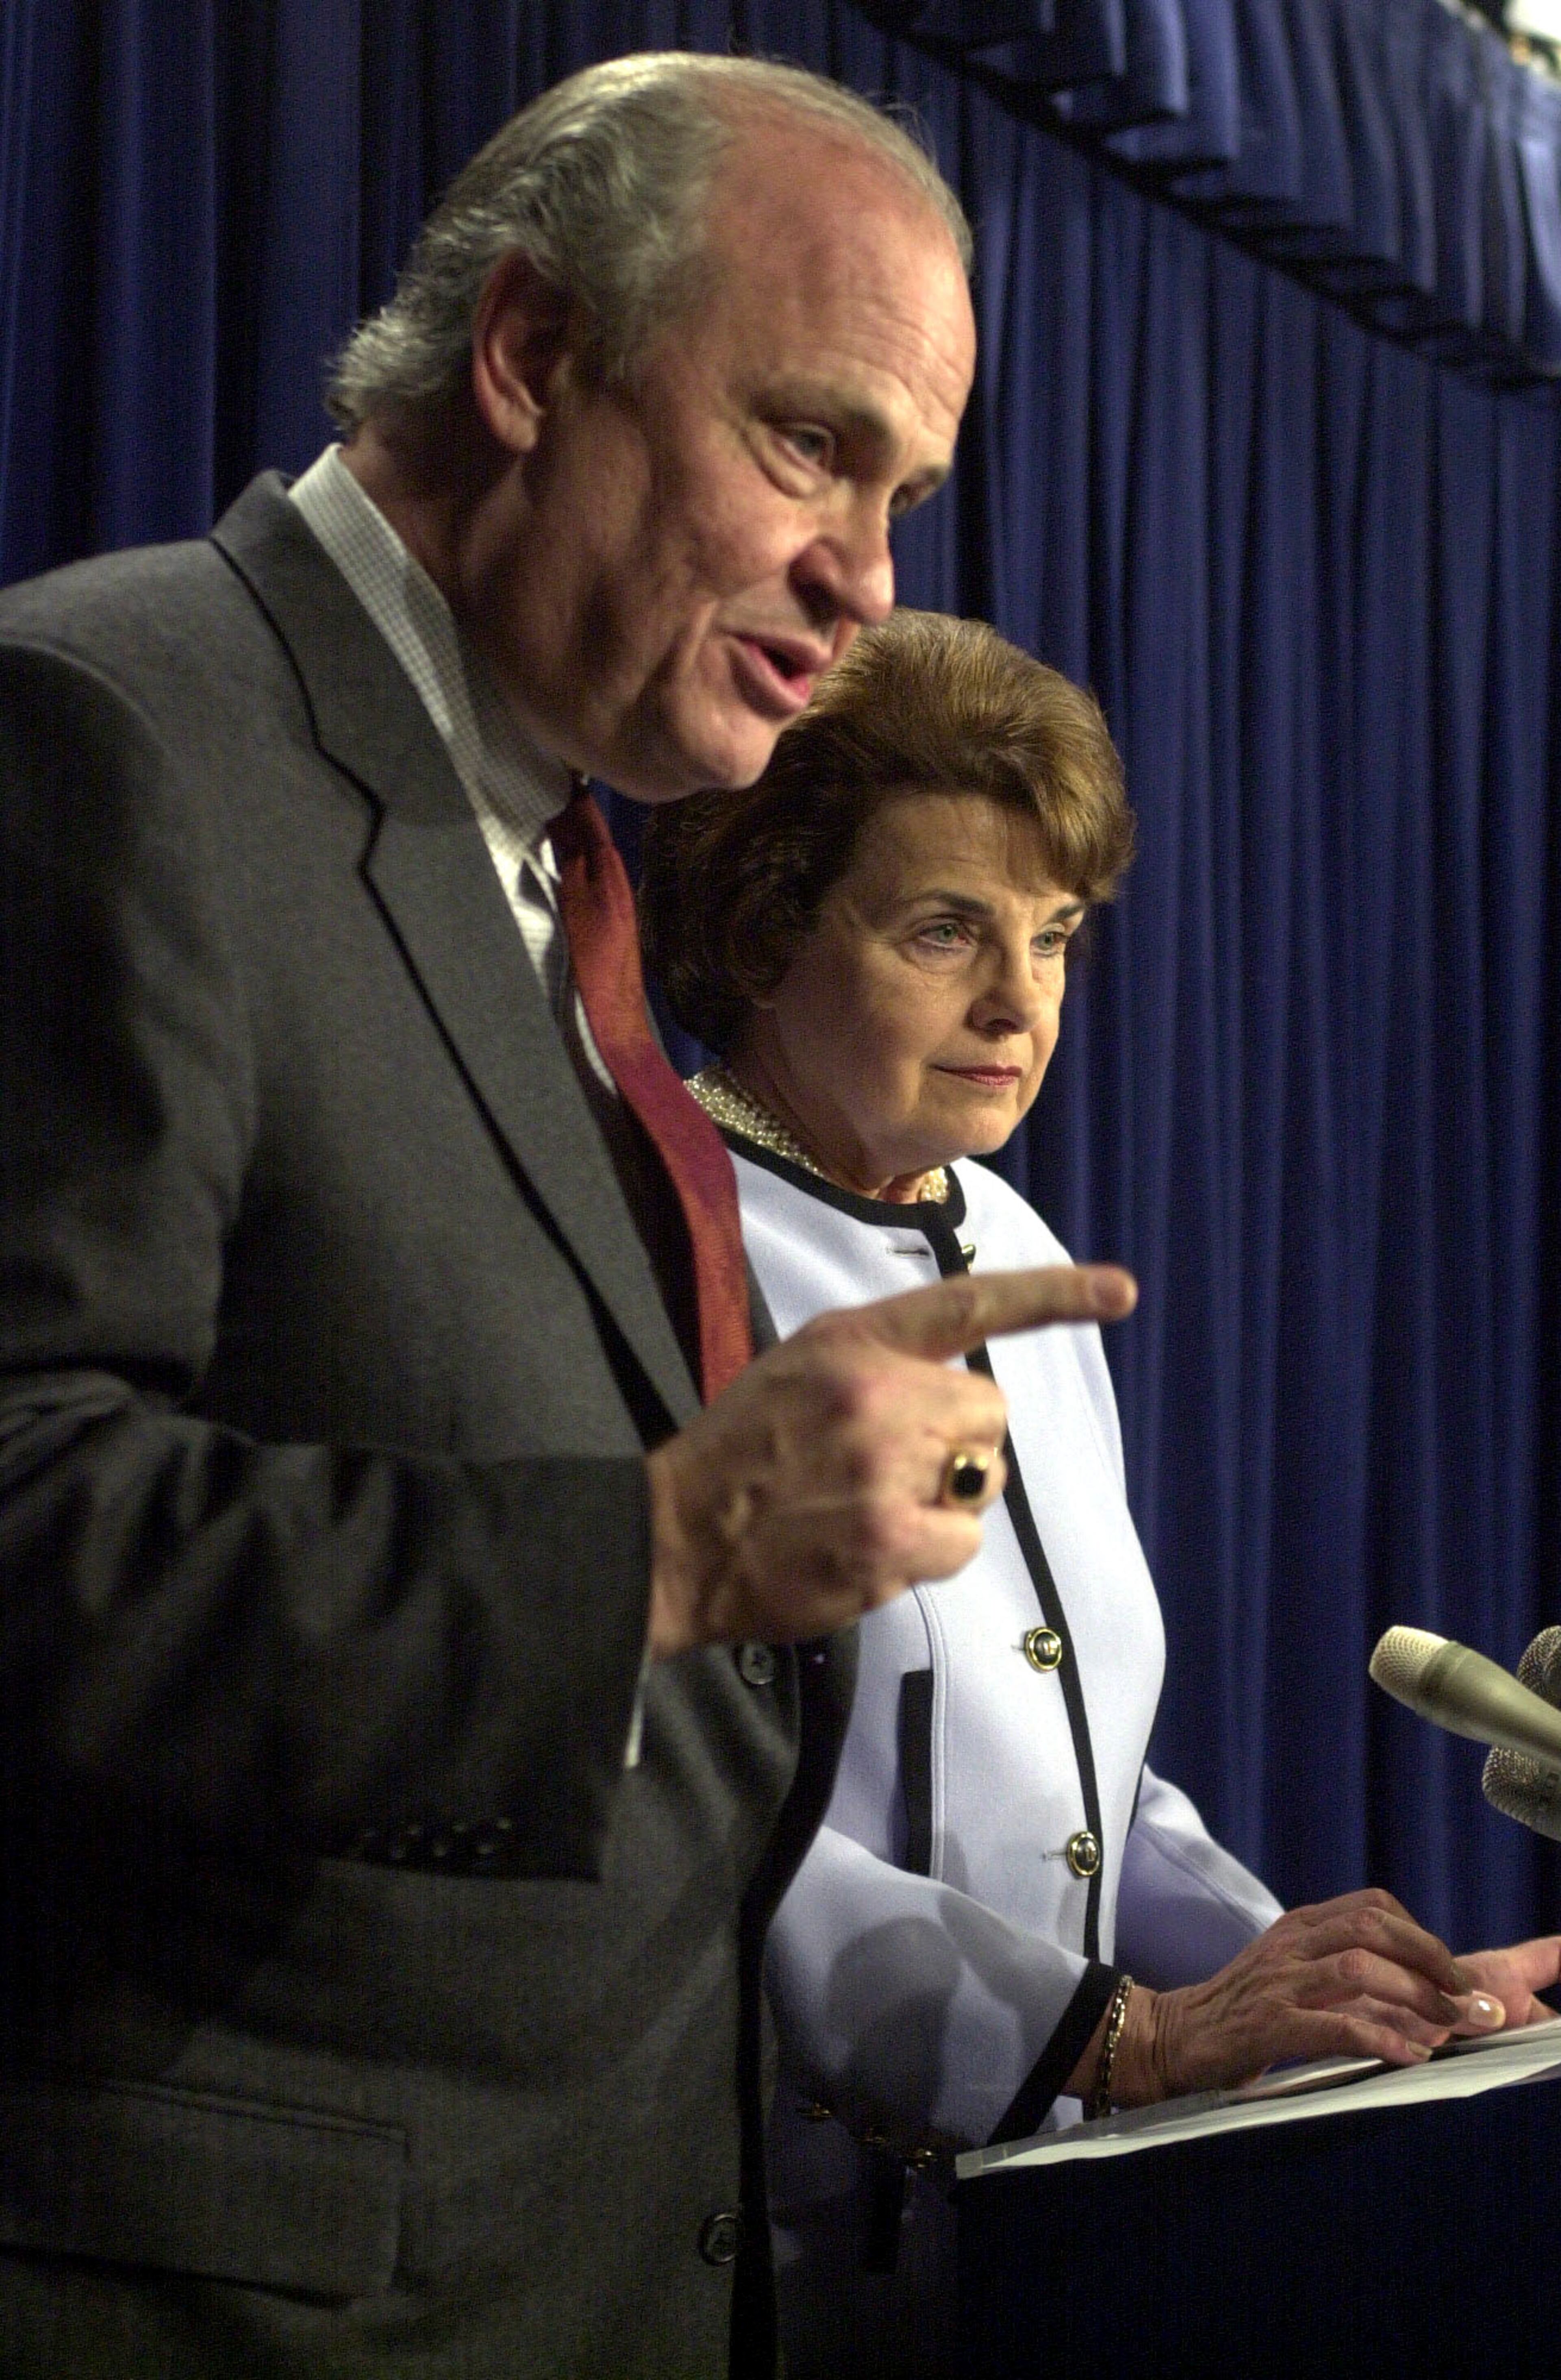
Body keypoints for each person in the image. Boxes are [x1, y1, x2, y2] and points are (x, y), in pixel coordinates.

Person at [0, 54, 1136, 2380]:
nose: (867, 579)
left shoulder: (552, 870)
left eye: (906, 495)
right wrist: (661, 1557)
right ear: (529, 359)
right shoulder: (112, 732)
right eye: (811, 447)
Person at [639, 608, 1561, 2378]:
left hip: (1035, 2239)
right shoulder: (663, 1249)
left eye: (1055, 939)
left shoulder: (1017, 1244)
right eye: (947, 933)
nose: (1022, 1004)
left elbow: (1092, 1789)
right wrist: (1116, 2035)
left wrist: (1332, 1998)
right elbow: (696, 1822)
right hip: (737, 2259)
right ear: (763, 927)